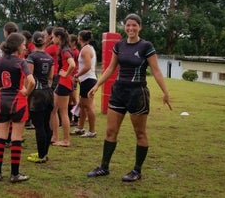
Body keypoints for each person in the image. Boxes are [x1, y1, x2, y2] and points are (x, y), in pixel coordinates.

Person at [86, 13, 172, 182]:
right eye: (128, 25)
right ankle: (104, 167)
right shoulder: (119, 45)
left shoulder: (146, 46)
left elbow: (156, 70)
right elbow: (110, 68)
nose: (131, 28)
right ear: (124, 27)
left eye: (134, 25)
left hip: (137, 93)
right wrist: (97, 85)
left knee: (140, 133)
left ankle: (137, 170)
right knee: (111, 131)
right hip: (118, 92)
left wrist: (166, 92)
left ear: (140, 27)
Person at [0, 33, 34, 183]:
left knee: (1, 137)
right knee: (16, 138)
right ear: (17, 46)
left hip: (2, 101)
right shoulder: (21, 62)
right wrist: (26, 92)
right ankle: (14, 174)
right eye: (23, 44)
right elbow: (32, 81)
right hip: (18, 102)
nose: (25, 47)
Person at [25, 31, 54, 163]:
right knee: (47, 125)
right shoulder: (49, 57)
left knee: (39, 126)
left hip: (37, 93)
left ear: (32, 42)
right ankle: (45, 153)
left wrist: (26, 92)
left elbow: (29, 77)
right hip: (48, 92)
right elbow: (50, 78)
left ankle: (41, 155)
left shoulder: (31, 57)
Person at [51, 27, 76, 147]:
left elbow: (72, 64)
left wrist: (66, 73)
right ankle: (55, 136)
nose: (52, 39)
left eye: (53, 36)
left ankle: (66, 140)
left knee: (63, 112)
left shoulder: (65, 50)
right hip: (63, 82)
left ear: (59, 37)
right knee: (54, 110)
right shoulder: (65, 49)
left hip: (64, 83)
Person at [72, 30, 97, 138]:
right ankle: (80, 128)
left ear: (80, 38)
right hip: (86, 80)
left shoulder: (85, 50)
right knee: (82, 106)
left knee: (88, 106)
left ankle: (92, 131)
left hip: (88, 80)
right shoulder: (88, 48)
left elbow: (87, 66)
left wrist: (77, 75)